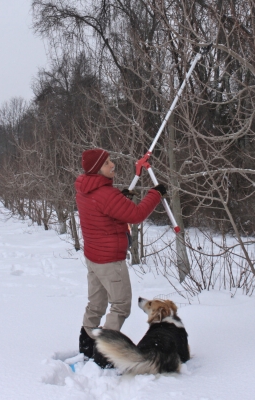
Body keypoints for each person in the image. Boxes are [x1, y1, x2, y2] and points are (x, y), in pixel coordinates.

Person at [75, 148, 166, 368]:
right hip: (109, 261)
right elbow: (135, 215)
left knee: (96, 303)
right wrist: (156, 193)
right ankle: (104, 353)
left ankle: (86, 344)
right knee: (120, 306)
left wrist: (121, 199)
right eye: (107, 163)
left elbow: (104, 211)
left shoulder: (85, 188)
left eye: (110, 160)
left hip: (94, 258)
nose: (112, 164)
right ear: (97, 169)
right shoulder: (106, 195)